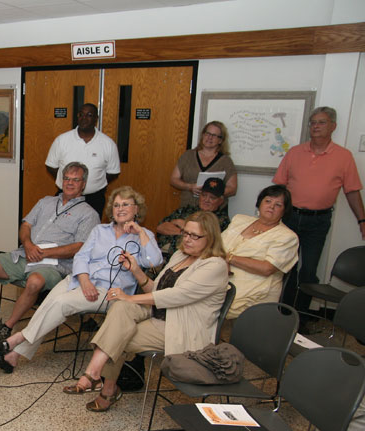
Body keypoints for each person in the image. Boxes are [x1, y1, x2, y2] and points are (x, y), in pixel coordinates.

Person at [0, 186, 162, 373]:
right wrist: (84, 280)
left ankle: (16, 339)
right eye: (116, 205)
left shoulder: (144, 237)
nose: (120, 208)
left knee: (60, 303)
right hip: (80, 281)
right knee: (48, 306)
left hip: (110, 292)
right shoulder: (100, 230)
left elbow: (154, 261)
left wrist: (140, 232)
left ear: (136, 209)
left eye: (126, 204)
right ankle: (13, 356)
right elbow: (81, 257)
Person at [66, 211, 228, 411]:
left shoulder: (215, 265)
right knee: (120, 308)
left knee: (117, 334)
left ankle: (102, 384)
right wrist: (135, 269)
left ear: (210, 238)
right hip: (157, 315)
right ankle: (95, 375)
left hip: (180, 328)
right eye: (185, 233)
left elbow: (175, 296)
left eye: (194, 236)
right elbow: (156, 290)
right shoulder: (180, 255)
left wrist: (129, 297)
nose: (187, 239)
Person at [0, 161, 99, 347]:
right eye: (67, 179)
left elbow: (79, 247)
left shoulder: (88, 214)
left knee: (35, 281)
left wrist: (45, 253)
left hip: (55, 264)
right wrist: (28, 244)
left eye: (75, 180)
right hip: (26, 254)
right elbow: (26, 225)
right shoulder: (45, 202)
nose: (70, 183)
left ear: (83, 184)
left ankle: (8, 326)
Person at [272, 106, 365, 329]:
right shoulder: (295, 152)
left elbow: (352, 191)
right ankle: (282, 314)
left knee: (308, 270)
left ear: (333, 126)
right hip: (291, 217)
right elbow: (279, 187)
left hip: (317, 221)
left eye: (321, 122)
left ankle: (301, 317)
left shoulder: (343, 156)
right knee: (286, 266)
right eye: (313, 122)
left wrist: (362, 220)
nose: (315, 126)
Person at [221, 184, 299, 319]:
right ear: (259, 203)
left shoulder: (287, 237)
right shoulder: (240, 220)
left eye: (278, 205)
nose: (271, 206)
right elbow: (216, 245)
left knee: (206, 305)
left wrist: (229, 258)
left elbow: (266, 268)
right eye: (268, 201)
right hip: (219, 277)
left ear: (284, 211)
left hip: (255, 288)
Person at [45, 103, 121, 217]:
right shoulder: (62, 140)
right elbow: (51, 165)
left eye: (89, 115)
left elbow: (113, 172)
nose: (84, 118)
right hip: (65, 196)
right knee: (60, 230)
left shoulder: (108, 144)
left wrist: (94, 182)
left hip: (93, 199)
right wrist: (68, 181)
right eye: (81, 114)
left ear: (96, 118)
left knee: (91, 233)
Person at [156, 177, 230, 262]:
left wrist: (181, 225)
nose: (206, 200)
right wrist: (185, 232)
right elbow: (160, 227)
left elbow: (210, 242)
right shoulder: (186, 209)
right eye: (204, 195)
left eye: (212, 198)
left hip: (187, 259)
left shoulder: (221, 220)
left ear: (221, 200)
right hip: (160, 254)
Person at [169, 121, 237, 212]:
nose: (209, 137)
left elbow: (232, 189)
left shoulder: (226, 161)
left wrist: (210, 194)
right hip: (188, 208)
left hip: (213, 212)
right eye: (207, 133)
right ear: (203, 135)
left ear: (220, 140)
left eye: (214, 135)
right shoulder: (188, 156)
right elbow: (173, 179)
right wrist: (189, 187)